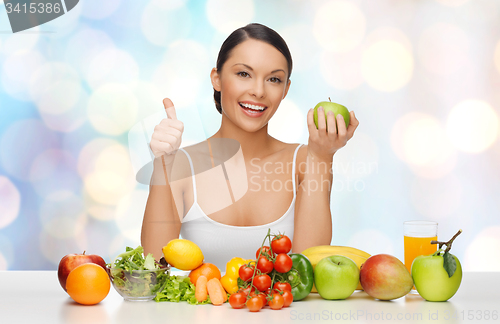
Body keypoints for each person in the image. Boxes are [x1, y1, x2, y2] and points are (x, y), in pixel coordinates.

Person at [141, 23, 359, 269]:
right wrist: (163, 164)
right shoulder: (181, 166)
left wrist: (322, 157)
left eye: (274, 79)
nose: (258, 91)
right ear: (217, 79)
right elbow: (152, 268)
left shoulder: (304, 161)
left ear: (285, 89)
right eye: (243, 74)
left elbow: (308, 268)